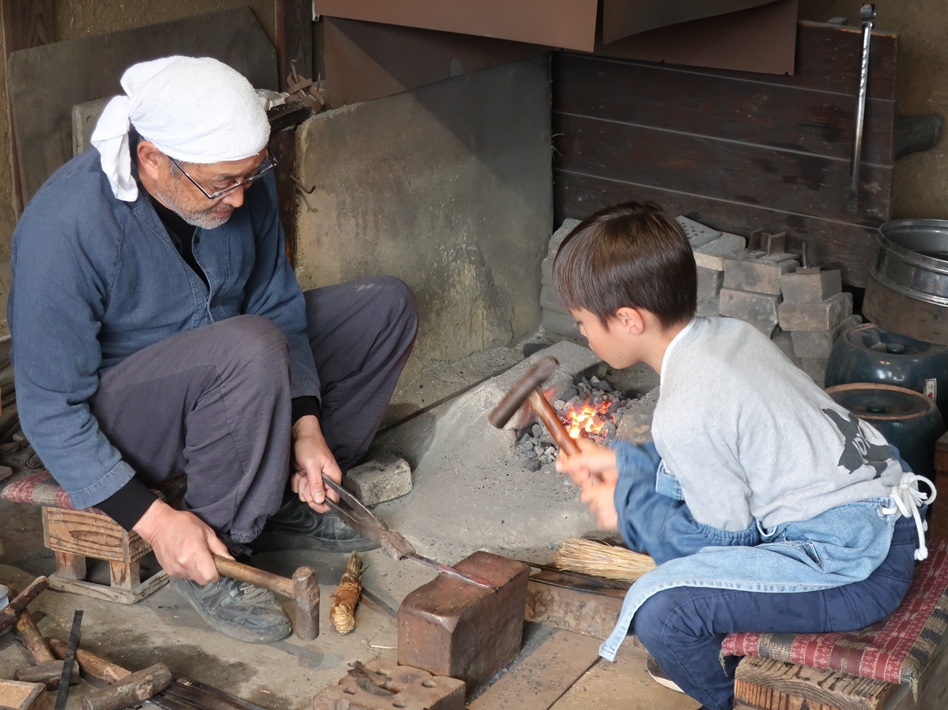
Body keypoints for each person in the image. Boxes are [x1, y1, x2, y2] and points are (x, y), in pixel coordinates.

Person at [8, 56, 418, 644]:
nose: (241, 198)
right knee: (250, 347)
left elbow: (277, 303)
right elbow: (49, 410)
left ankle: (284, 495)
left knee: (383, 308)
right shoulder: (65, 226)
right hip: (131, 416)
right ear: (152, 159)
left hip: (240, 370)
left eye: (251, 175)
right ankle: (219, 547)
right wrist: (156, 523)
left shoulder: (239, 180)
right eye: (223, 182)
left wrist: (306, 425)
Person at [552, 201, 934, 709]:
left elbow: (724, 543)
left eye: (582, 321)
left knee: (664, 616)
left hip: (857, 566)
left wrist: (628, 509)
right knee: (667, 507)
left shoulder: (685, 409)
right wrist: (628, 466)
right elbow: (716, 453)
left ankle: (740, 698)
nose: (582, 333)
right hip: (889, 509)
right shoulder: (730, 334)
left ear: (627, 320)